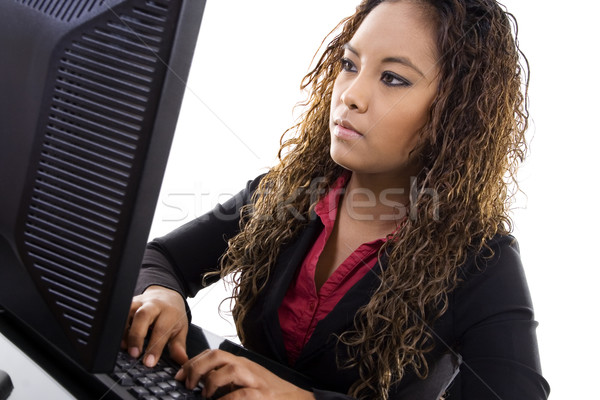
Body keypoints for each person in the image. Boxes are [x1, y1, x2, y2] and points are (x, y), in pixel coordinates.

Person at [122, 0, 550, 398]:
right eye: (349, 64)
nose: (350, 95)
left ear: (456, 112)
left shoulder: (483, 262)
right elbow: (163, 259)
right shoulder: (286, 193)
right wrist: (162, 295)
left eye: (393, 78)